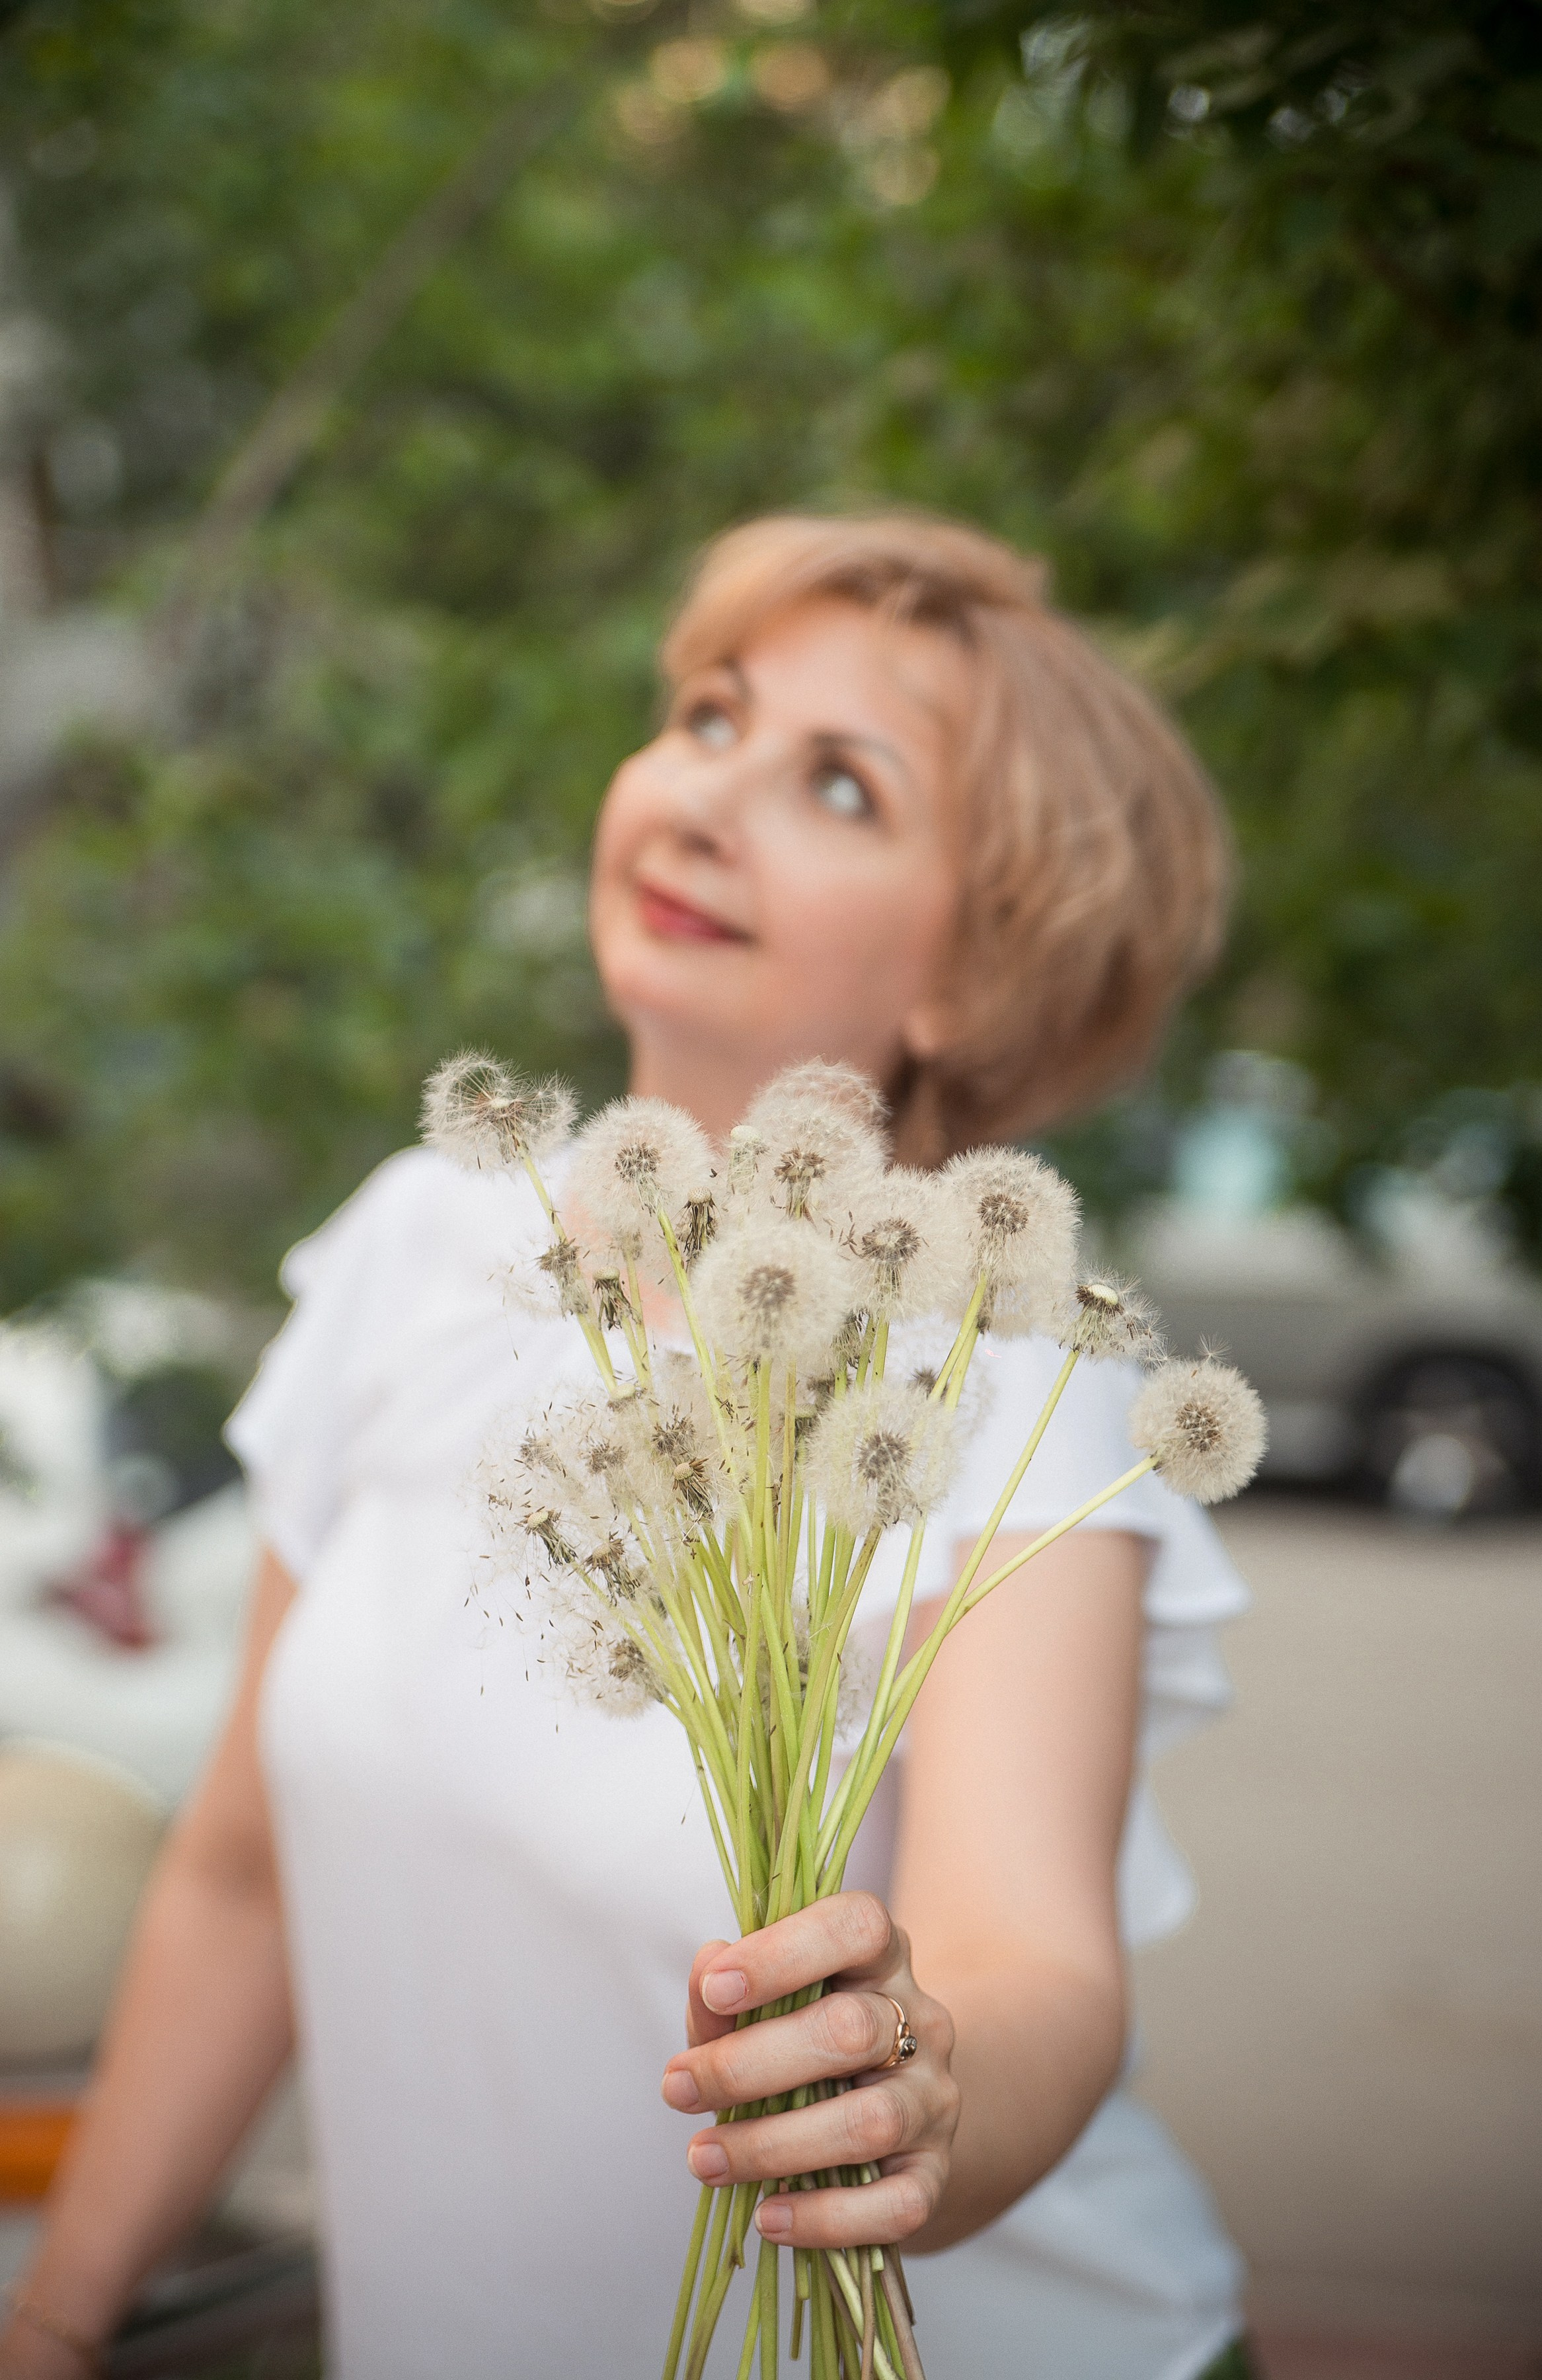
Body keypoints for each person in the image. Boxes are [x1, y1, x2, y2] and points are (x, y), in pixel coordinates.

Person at [3, 513, 1256, 2380]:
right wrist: (56, 2321)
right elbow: (241, 1876)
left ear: (973, 976)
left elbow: (1036, 1962)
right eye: (706, 716)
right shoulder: (411, 1257)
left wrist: (930, 2092)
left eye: (839, 783)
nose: (706, 797)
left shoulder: (1000, 1390)